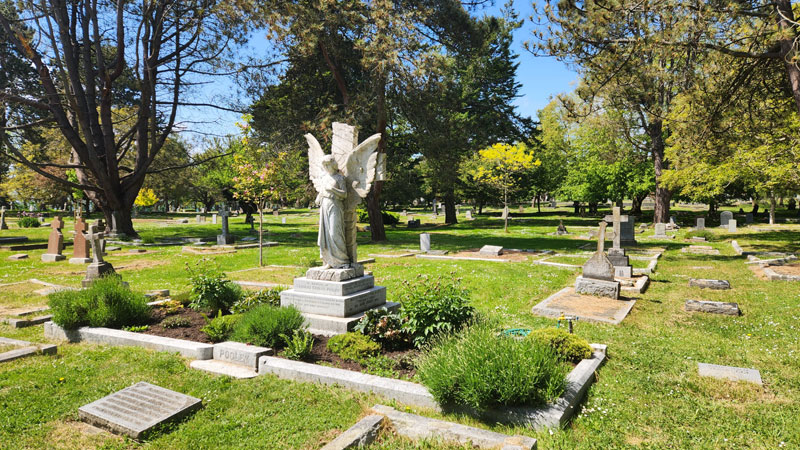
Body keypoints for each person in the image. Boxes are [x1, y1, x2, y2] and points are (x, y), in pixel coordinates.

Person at [317, 155, 349, 269]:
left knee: (334, 233)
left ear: (333, 164)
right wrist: (318, 197)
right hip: (324, 205)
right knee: (325, 235)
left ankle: (342, 261)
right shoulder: (324, 178)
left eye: (328, 164)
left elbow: (344, 194)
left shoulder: (340, 178)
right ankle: (329, 261)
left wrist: (332, 189)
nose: (326, 167)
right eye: (324, 165)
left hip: (335, 205)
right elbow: (321, 191)